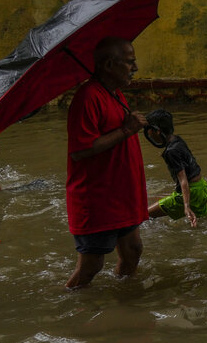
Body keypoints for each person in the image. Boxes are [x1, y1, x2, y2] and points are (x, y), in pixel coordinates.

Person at [64, 36, 149, 289]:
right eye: (130, 62)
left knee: (133, 250)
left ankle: (125, 300)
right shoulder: (88, 97)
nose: (135, 68)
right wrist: (126, 130)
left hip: (121, 195)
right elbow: (81, 151)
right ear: (109, 65)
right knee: (91, 266)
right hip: (98, 198)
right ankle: (70, 308)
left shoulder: (114, 94)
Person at [144, 109, 207, 228]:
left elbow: (183, 180)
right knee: (201, 224)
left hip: (191, 192)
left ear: (157, 131)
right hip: (201, 188)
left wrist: (186, 205)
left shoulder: (170, 152)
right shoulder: (177, 140)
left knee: (144, 215)